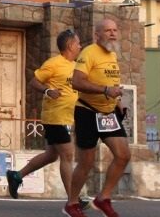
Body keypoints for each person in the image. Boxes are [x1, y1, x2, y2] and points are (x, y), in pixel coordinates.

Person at [65, 18, 133, 217]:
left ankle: (103, 198)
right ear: (97, 35)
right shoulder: (89, 53)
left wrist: (117, 102)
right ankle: (71, 203)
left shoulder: (112, 54)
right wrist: (105, 90)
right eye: (107, 30)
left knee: (123, 155)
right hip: (87, 111)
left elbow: (110, 81)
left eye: (115, 30)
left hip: (108, 114)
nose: (112, 33)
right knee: (86, 162)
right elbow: (76, 82)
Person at [6, 28, 81, 203]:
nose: (80, 46)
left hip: (68, 117)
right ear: (70, 45)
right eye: (78, 43)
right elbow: (34, 81)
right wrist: (48, 91)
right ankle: (73, 200)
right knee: (68, 155)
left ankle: (16, 175)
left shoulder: (76, 67)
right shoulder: (54, 63)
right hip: (56, 117)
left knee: (51, 155)